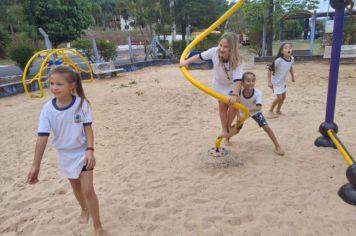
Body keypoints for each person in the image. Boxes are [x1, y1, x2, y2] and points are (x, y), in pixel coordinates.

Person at [26, 65, 104, 236]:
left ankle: (98, 226)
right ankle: (84, 209)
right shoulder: (47, 109)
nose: (54, 88)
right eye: (51, 83)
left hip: (83, 153)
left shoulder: (82, 104)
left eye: (59, 84)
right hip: (65, 155)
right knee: (76, 188)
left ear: (72, 86)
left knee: (87, 190)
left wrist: (90, 150)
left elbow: (88, 129)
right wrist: (35, 165)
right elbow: (42, 137)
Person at [179, 32, 243, 144]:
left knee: (233, 106)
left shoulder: (238, 60)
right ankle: (224, 129)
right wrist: (186, 62)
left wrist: (235, 94)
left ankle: (227, 130)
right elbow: (199, 57)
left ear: (232, 49)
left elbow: (238, 80)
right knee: (222, 104)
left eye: (226, 47)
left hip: (232, 85)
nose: (222, 49)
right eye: (220, 45)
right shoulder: (214, 51)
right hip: (219, 84)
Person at [230, 72, 285, 155]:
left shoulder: (257, 93)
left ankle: (277, 146)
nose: (251, 83)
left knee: (266, 127)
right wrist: (238, 116)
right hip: (242, 112)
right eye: (248, 81)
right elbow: (235, 105)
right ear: (242, 82)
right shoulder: (238, 92)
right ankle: (227, 138)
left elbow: (258, 107)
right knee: (236, 130)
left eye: (253, 81)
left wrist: (247, 110)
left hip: (254, 111)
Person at [267, 43, 295, 118]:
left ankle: (278, 110)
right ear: (282, 51)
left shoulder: (292, 59)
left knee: (284, 96)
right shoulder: (278, 60)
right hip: (276, 82)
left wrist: (292, 76)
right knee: (279, 98)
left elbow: (290, 67)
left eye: (290, 48)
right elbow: (270, 69)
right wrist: (269, 82)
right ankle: (270, 111)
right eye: (286, 48)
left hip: (282, 82)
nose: (288, 49)